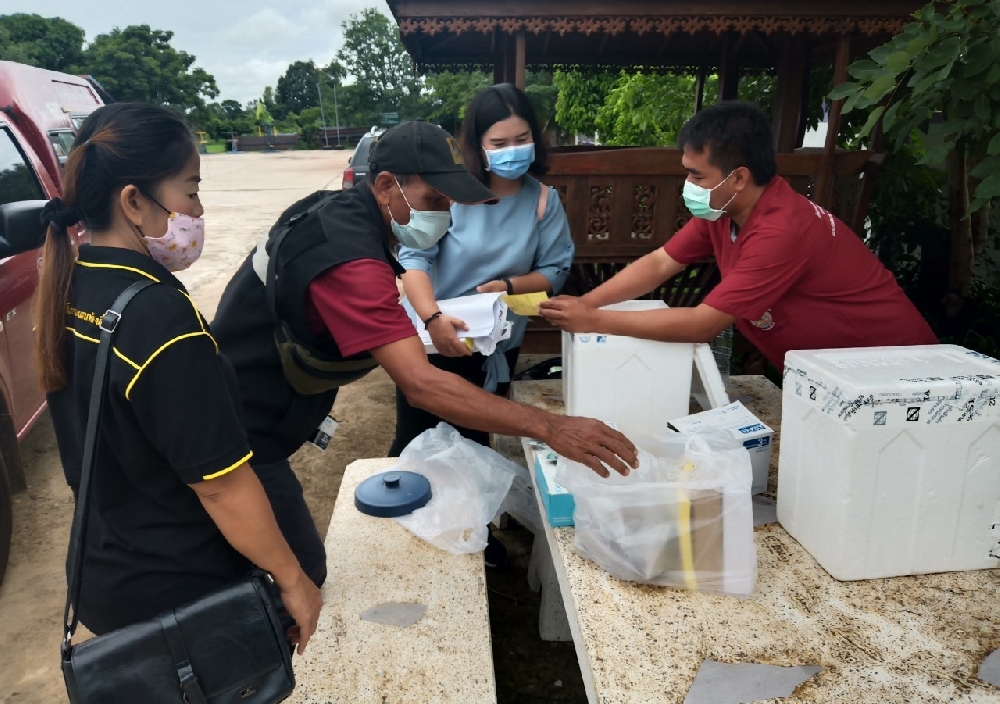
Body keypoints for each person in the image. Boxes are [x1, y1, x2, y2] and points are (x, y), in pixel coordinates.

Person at [210, 121, 637, 586]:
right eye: (434, 200)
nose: (445, 216)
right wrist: (551, 427)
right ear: (385, 185)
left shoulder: (343, 212)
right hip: (235, 427)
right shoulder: (349, 259)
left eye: (450, 203)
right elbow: (420, 383)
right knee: (295, 574)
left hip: (261, 405)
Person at [35, 104, 321, 650]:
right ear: (134, 201)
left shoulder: (73, 284)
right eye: (190, 191)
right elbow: (221, 485)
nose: (198, 209)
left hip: (106, 568)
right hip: (182, 595)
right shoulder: (159, 317)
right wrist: (293, 578)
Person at [539, 101, 937, 369]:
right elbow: (661, 263)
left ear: (739, 178)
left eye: (697, 175)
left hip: (897, 370)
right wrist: (586, 303)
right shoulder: (723, 210)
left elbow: (702, 324)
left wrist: (595, 320)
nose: (688, 184)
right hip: (836, 373)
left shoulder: (781, 230)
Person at [388, 84, 574, 457]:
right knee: (417, 441)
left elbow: (555, 269)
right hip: (434, 336)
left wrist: (509, 285)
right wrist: (432, 318)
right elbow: (414, 258)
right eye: (499, 143)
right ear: (478, 145)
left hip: (496, 344)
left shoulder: (542, 200)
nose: (512, 150)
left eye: (521, 139)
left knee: (475, 445)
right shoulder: (451, 194)